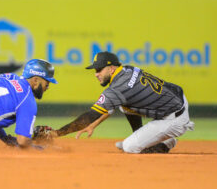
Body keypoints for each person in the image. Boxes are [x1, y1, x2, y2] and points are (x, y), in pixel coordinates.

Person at [47, 51, 194, 153]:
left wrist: (57, 133)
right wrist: (95, 124)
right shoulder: (127, 69)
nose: (96, 74)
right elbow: (110, 106)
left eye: (99, 70)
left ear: (111, 69)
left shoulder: (118, 88)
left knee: (129, 147)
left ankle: (165, 144)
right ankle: (143, 136)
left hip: (174, 119)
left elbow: (90, 115)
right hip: (178, 99)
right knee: (125, 106)